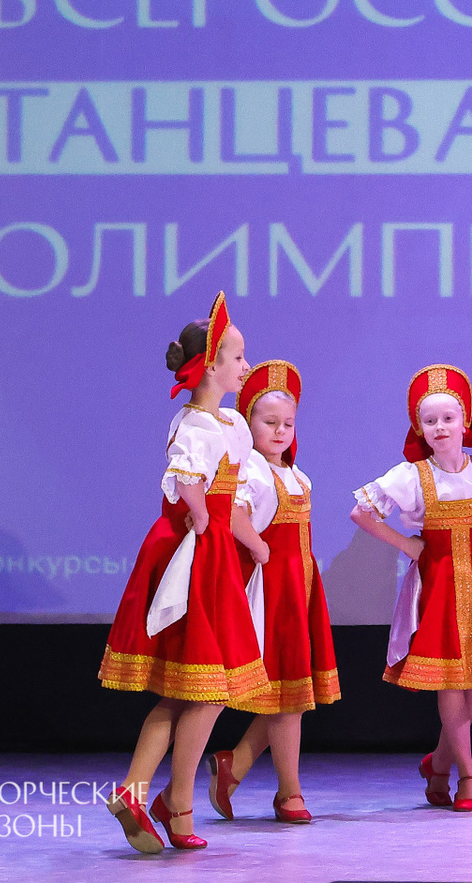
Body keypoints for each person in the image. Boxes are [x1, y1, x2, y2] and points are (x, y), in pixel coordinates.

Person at [97, 293, 269, 852]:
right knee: (207, 689)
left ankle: (142, 792)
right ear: (212, 366)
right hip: (195, 556)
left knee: (186, 691)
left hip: (211, 551)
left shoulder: (230, 424)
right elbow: (190, 485)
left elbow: (228, 500)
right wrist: (202, 520)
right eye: (237, 358)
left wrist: (254, 544)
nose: (245, 366)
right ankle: (176, 805)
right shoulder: (198, 425)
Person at [350, 365, 472, 812]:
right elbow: (361, 512)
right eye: (429, 420)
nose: (440, 427)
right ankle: (468, 774)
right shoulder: (414, 475)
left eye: (448, 418)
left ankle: (438, 763)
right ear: (419, 428)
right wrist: (407, 545)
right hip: (439, 583)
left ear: (465, 421)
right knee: (451, 680)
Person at [207, 360, 340, 824]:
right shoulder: (253, 470)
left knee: (290, 692)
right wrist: (260, 546)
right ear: (249, 423)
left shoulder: (297, 476)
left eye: (288, 423)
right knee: (289, 699)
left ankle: (235, 766)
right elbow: (231, 512)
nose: (280, 431)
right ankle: (289, 793)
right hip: (271, 593)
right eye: (269, 423)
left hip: (298, 590)